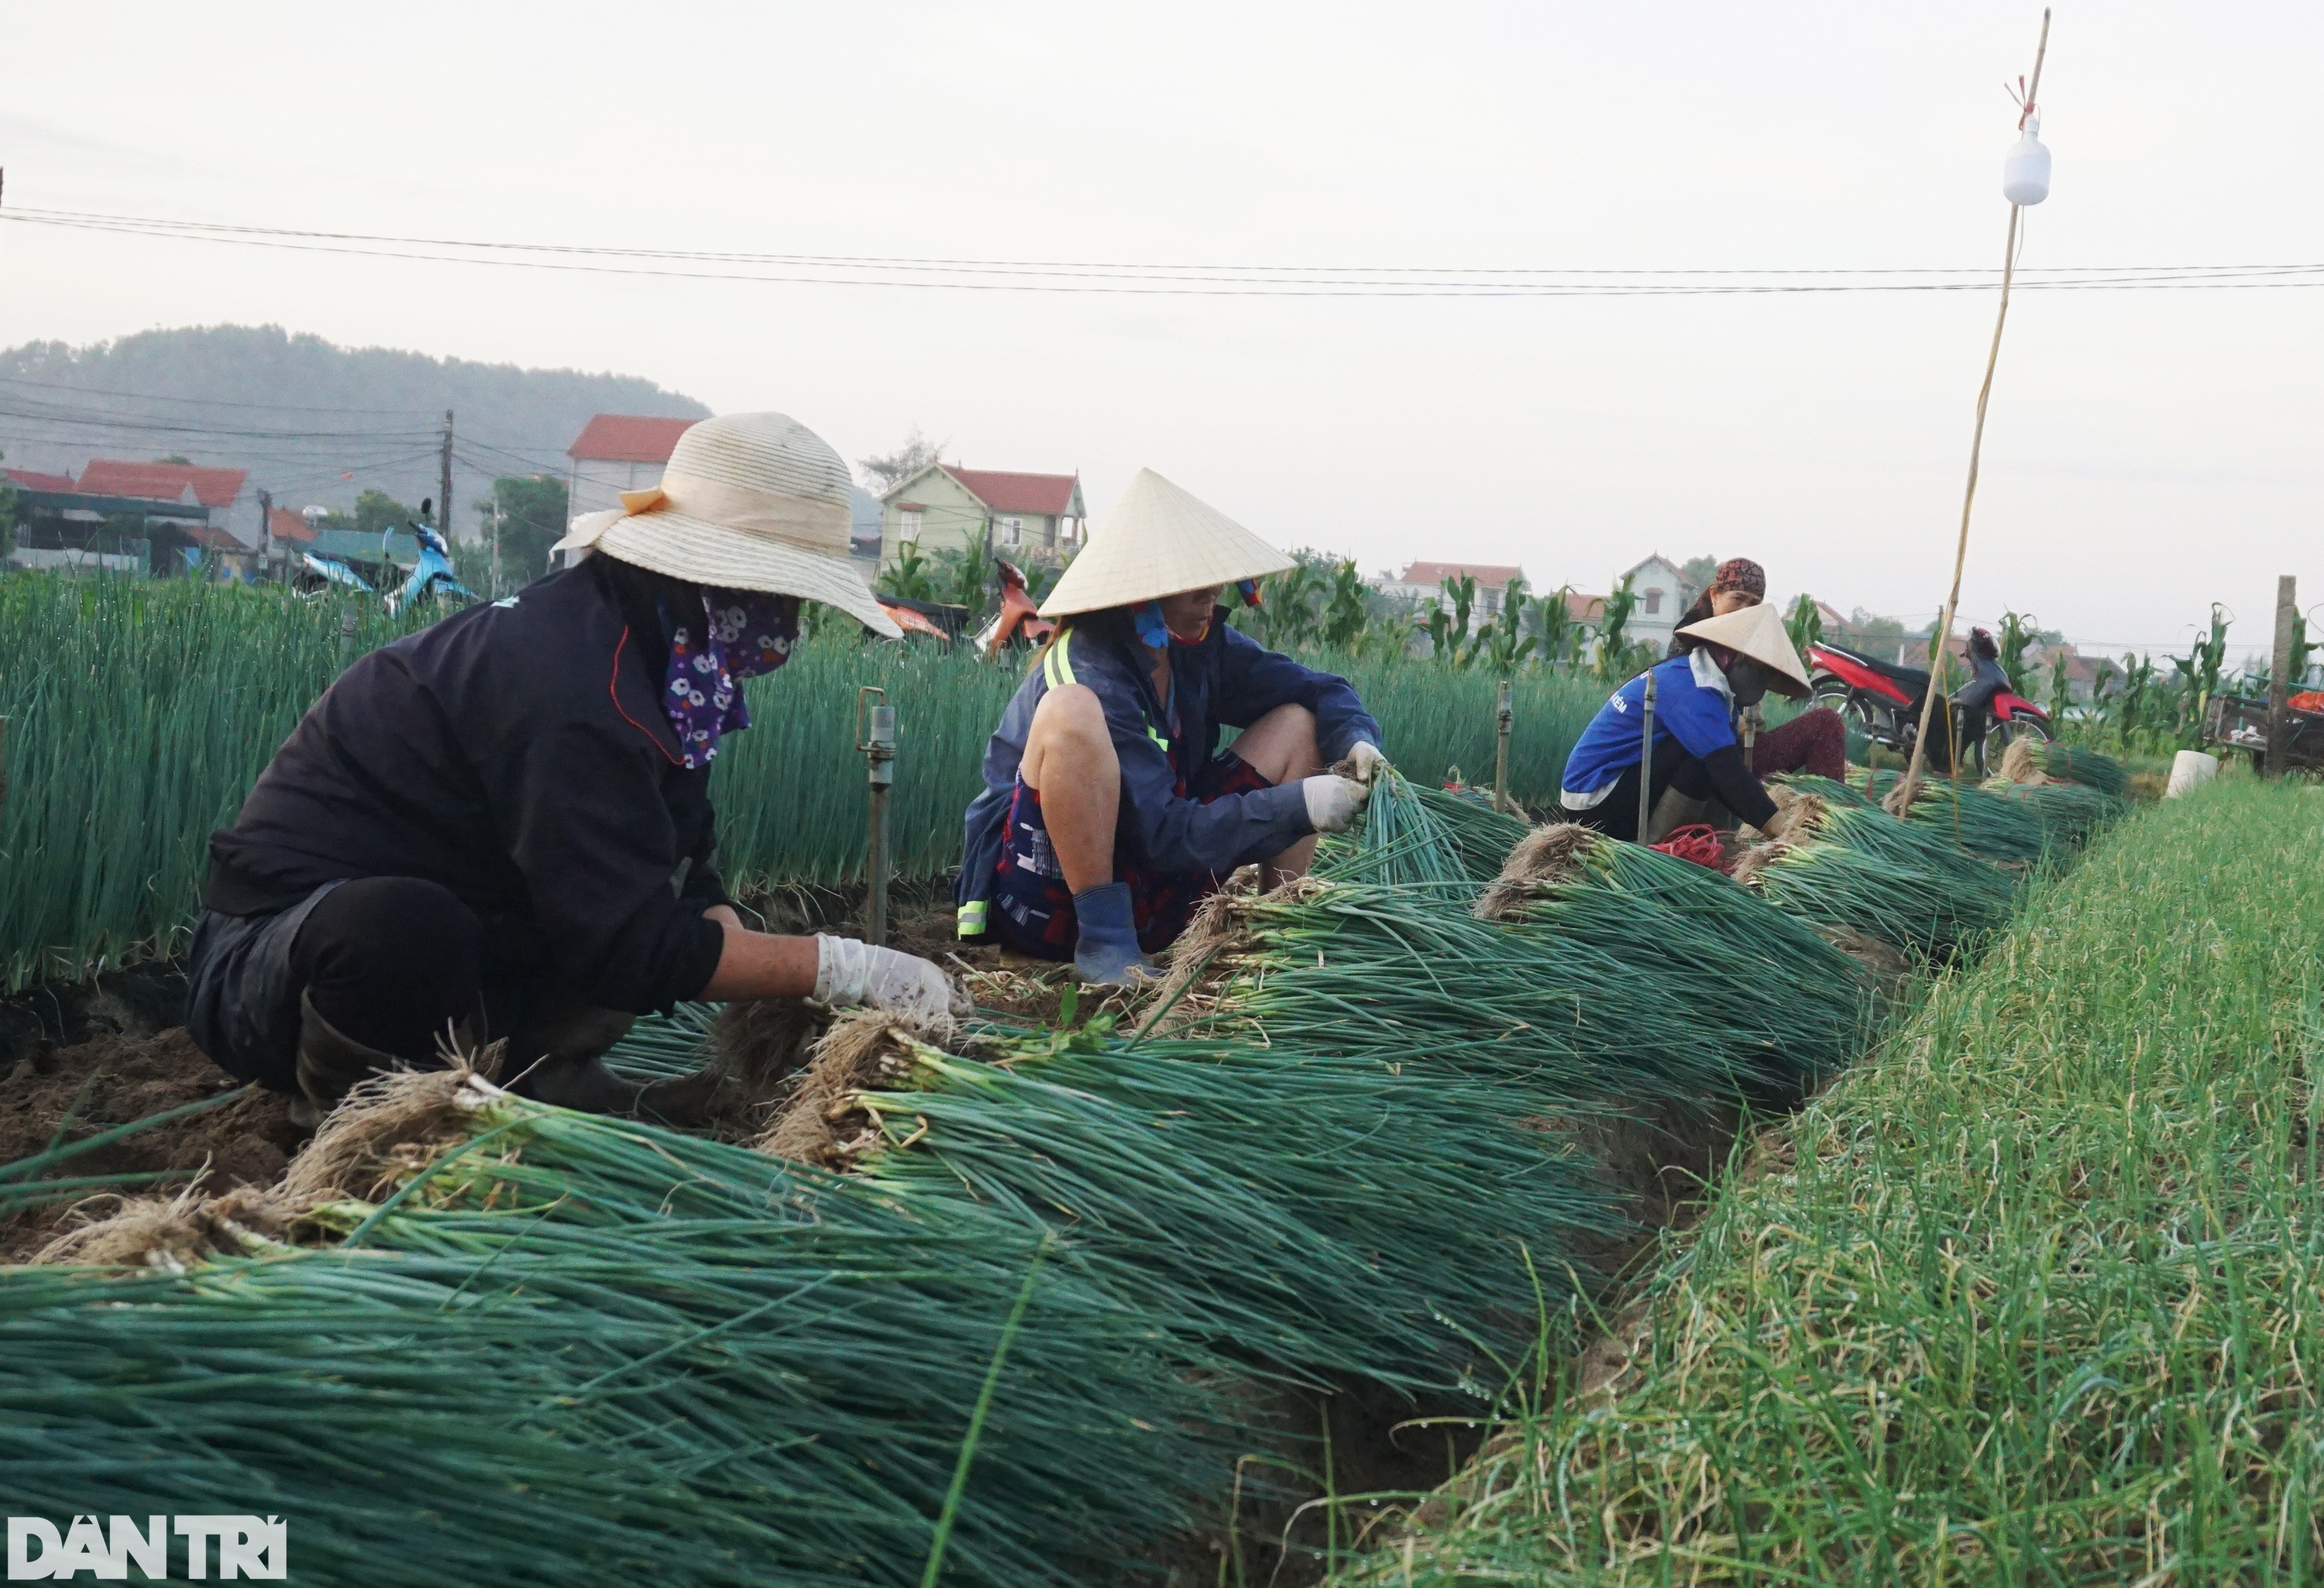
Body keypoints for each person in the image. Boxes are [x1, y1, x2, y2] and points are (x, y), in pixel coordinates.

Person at [187, 412, 959, 1126]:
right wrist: (838, 967)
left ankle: (540, 1078)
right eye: (776, 595)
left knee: (611, 899)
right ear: (713, 580)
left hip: (462, 935)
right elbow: (628, 947)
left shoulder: (664, 670)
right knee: (407, 932)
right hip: (270, 965)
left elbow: (682, 850)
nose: (786, 624)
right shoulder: (570, 680)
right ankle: (361, 1122)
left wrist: (718, 913)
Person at [956, 469, 1384, 985]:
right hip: (1047, 899)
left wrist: (1356, 740)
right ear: (1144, 592)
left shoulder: (1197, 646)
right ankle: (1106, 943)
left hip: (1155, 892)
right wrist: (1301, 806)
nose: (1211, 599)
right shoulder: (1089, 668)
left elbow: (1316, 687)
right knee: (1071, 712)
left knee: (1301, 722)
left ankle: (1278, 935)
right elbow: (1162, 834)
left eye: (1214, 585)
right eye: (1193, 588)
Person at [1559, 603, 1816, 843]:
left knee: (1713, 752)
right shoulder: (1693, 687)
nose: (1761, 681)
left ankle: (1711, 839)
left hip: (1611, 788)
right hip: (1594, 802)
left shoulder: (1705, 682)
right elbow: (1729, 773)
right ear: (1730, 656)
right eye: (1759, 670)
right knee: (1708, 760)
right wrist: (1782, 830)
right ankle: (1655, 849)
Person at [1667, 556, 1846, 785]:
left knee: (1825, 723)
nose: (1744, 609)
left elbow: (1750, 704)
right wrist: (1732, 725)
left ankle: (1825, 810)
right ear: (1715, 595)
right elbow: (1684, 715)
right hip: (1702, 762)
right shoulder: (1688, 641)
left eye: (1753, 604)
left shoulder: (1751, 645)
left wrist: (1753, 719)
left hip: (1744, 754)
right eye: (1738, 599)